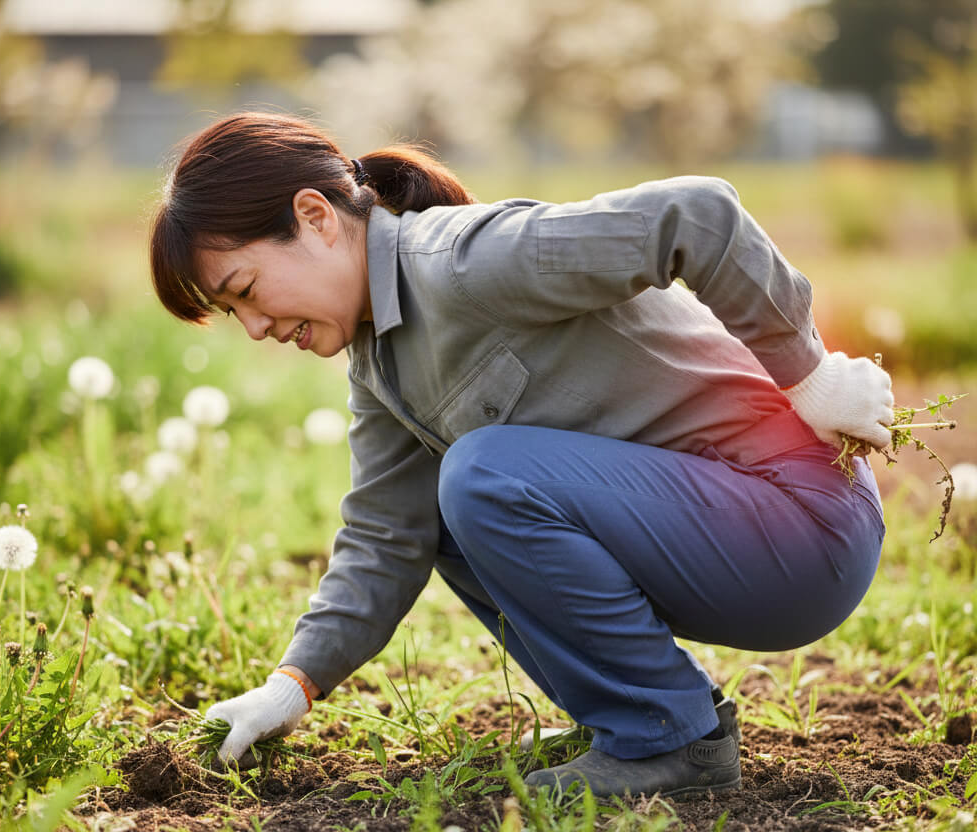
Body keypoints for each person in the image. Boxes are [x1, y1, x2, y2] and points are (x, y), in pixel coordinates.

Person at [148, 112, 892, 798]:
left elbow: (698, 214)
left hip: (798, 519)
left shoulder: (463, 261)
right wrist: (291, 686)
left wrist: (809, 375)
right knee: (446, 508)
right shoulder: (379, 363)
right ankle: (635, 717)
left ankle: (665, 737)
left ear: (315, 217)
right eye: (233, 313)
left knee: (480, 475)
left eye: (247, 289)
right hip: (727, 535)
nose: (255, 327)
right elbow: (385, 535)